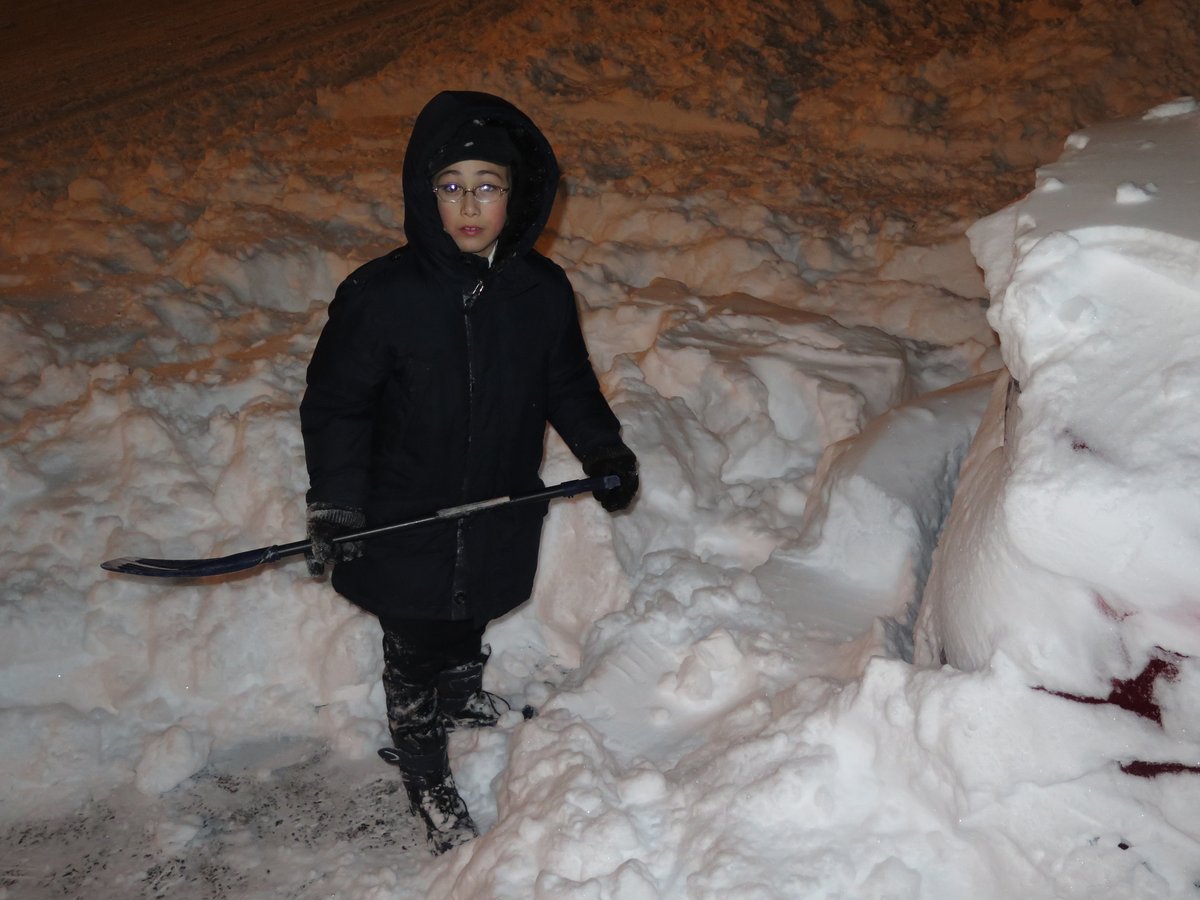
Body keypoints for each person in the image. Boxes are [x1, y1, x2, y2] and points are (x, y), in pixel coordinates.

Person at [299, 90, 638, 854]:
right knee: (413, 638)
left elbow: (567, 384)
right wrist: (337, 504)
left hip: (496, 502)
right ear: (426, 194)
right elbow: (337, 408)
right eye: (450, 186)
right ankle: (424, 767)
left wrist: (604, 450)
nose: (469, 205)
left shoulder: (540, 293)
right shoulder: (380, 297)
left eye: (488, 184)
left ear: (516, 195)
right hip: (402, 514)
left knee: (471, 608)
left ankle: (461, 693)